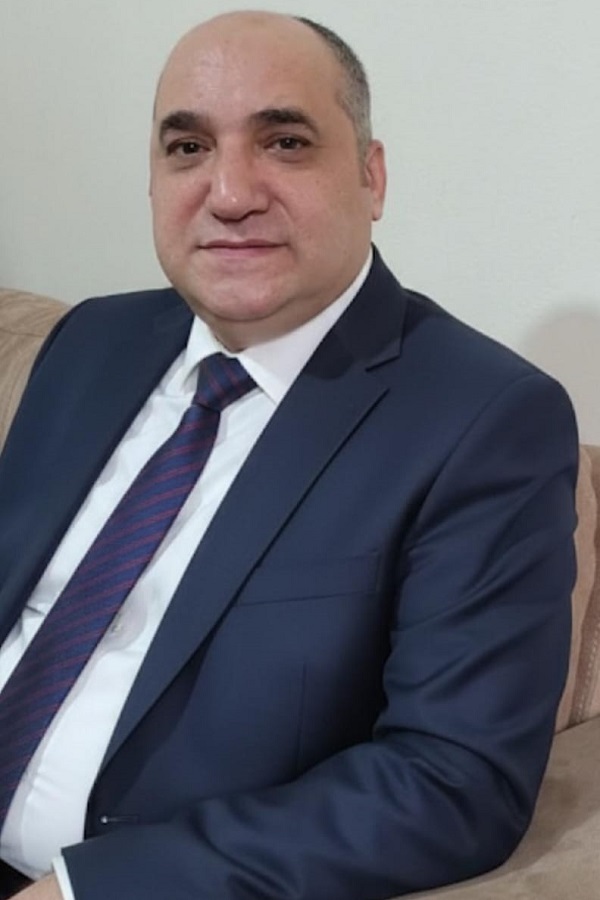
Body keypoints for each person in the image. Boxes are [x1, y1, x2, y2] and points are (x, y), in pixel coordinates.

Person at [0, 10, 578, 900]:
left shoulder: (485, 422)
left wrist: (95, 888)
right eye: (188, 148)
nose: (230, 192)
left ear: (371, 176)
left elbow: (452, 782)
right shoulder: (90, 341)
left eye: (284, 142)